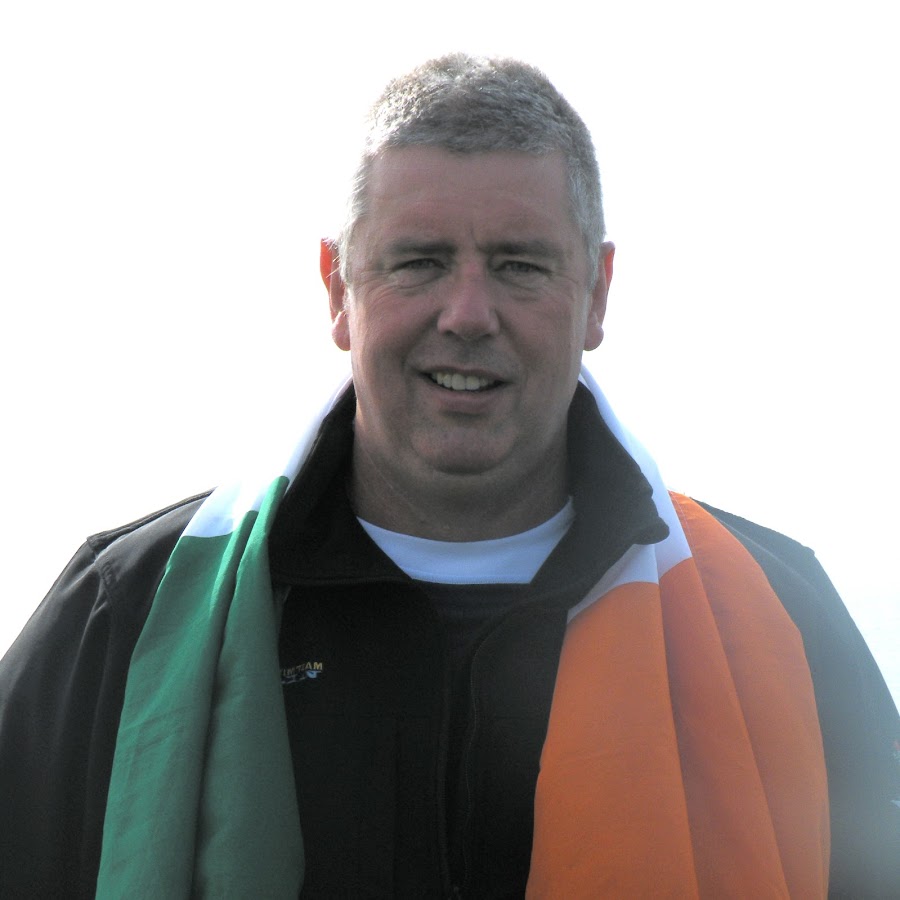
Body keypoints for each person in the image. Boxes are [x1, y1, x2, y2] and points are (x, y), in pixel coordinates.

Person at [1, 54, 898, 899]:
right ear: (337, 288)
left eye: (519, 265)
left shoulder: (780, 615)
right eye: (419, 261)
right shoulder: (123, 613)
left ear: (597, 293)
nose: (468, 314)